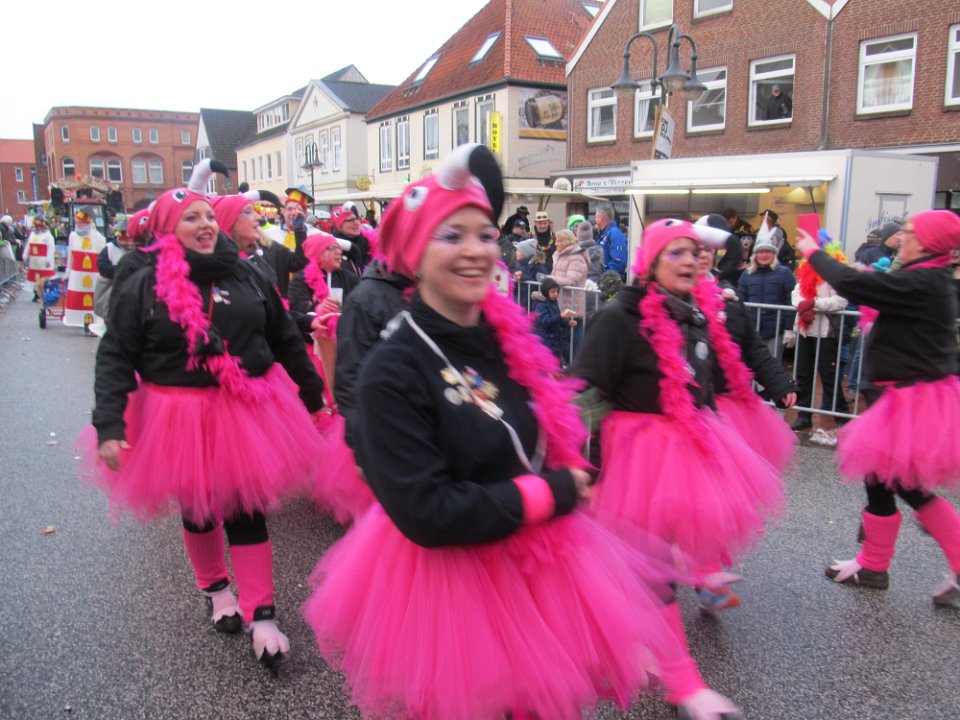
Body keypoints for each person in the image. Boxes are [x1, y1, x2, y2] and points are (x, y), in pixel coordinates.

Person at [304, 145, 726, 720]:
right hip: (453, 588)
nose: (476, 250)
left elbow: (550, 424)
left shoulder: (508, 340)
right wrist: (549, 493)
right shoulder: (393, 367)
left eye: (485, 234)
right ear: (415, 253)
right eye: (451, 236)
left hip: (540, 564)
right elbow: (426, 512)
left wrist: (581, 466)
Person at [81, 161, 328, 674]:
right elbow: (116, 354)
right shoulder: (143, 282)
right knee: (198, 508)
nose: (205, 225)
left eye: (208, 216)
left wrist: (311, 391)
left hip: (247, 409)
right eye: (190, 218)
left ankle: (262, 614)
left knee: (246, 510)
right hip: (179, 415)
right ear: (168, 228)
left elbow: (284, 335)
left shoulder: (247, 272)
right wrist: (110, 424)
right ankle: (216, 590)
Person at [574, 218, 786, 718]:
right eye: (676, 253)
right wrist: (587, 469)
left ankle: (640, 642)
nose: (690, 261)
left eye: (694, 252)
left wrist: (716, 449)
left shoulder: (694, 315)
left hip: (685, 451)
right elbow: (583, 395)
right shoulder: (619, 318)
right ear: (650, 262)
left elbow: (701, 389)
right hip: (632, 461)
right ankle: (682, 682)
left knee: (648, 565)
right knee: (650, 568)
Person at [795, 213, 960, 607]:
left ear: (928, 242)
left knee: (907, 487)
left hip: (909, 402)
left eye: (910, 232)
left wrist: (814, 253)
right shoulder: (922, 277)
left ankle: (883, 564)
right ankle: (872, 565)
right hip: (896, 398)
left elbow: (857, 286)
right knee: (878, 480)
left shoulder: (923, 281)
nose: (901, 237)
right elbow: (873, 287)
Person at [334, 256, 413, 453]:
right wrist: (358, 436)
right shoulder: (364, 298)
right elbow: (350, 373)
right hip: (389, 427)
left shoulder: (438, 289)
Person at [790, 240, 850, 431]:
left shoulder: (834, 275)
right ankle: (804, 415)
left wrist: (814, 304)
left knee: (828, 376)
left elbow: (841, 301)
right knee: (803, 374)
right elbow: (795, 295)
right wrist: (804, 305)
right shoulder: (804, 272)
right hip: (805, 331)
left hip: (826, 333)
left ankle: (841, 415)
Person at [737, 236, 797, 359]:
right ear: (755, 255)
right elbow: (740, 301)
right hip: (752, 329)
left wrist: (789, 328)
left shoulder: (785, 273)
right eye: (760, 251)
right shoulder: (746, 274)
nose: (764, 255)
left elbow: (790, 300)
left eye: (767, 251)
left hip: (776, 329)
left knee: (772, 364)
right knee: (751, 364)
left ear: (774, 254)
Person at [547, 229, 589, 366]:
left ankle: (576, 370)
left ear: (566, 241)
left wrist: (549, 280)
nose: (556, 243)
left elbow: (571, 280)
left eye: (558, 241)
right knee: (563, 343)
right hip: (560, 304)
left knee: (573, 346)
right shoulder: (558, 255)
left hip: (572, 306)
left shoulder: (577, 257)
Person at [65, 208, 106, 328]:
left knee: (91, 298)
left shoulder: (99, 238)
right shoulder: (73, 236)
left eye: (80, 223)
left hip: (92, 275)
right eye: (76, 223)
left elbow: (102, 258)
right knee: (77, 297)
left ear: (87, 222)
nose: (77, 225)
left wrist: (102, 274)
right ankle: (77, 319)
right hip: (77, 274)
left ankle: (92, 321)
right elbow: (70, 256)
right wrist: (68, 272)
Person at [264, 186, 319, 253]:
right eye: (289, 209)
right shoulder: (268, 234)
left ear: (305, 214)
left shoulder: (316, 236)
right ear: (284, 212)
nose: (293, 213)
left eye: (299, 210)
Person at [331, 204, 375, 275]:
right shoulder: (332, 247)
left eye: (357, 219)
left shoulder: (367, 242)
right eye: (351, 220)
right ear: (340, 227)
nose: (356, 223)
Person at [532, 276, 567, 362]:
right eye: (552, 292)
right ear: (546, 291)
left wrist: (568, 323)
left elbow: (557, 319)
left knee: (557, 364)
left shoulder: (554, 302)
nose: (556, 294)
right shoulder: (540, 304)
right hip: (545, 341)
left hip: (554, 340)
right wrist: (560, 316)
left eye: (557, 291)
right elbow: (545, 322)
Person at [23, 216, 56, 301]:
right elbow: (29, 245)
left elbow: (51, 248)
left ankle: (44, 294)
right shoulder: (33, 234)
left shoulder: (48, 235)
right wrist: (25, 255)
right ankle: (36, 293)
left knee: (44, 279)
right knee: (35, 279)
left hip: (43, 262)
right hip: (34, 262)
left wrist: (48, 260)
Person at [512, 237, 546, 310]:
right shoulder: (519, 264)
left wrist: (523, 278)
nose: (516, 252)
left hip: (531, 306)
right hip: (518, 303)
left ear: (526, 253)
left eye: (519, 251)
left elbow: (541, 286)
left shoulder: (538, 266)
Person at [595, 205, 627, 280]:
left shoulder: (615, 234)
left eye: (596, 216)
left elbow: (618, 261)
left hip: (610, 282)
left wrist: (606, 278)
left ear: (601, 218)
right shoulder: (603, 234)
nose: (595, 219)